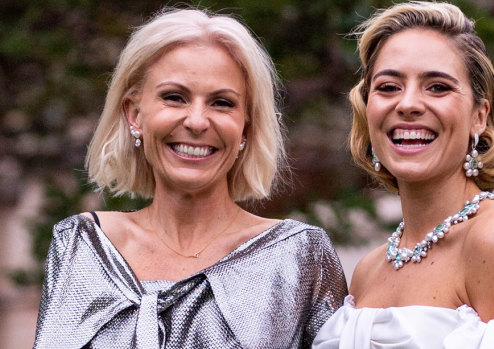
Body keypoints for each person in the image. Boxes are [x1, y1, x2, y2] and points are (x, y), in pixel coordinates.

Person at [34, 8, 347, 348]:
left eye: (222, 103)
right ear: (134, 114)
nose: (197, 121)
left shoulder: (298, 256)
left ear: (246, 126)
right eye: (174, 97)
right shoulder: (81, 244)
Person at [313, 1, 494, 348]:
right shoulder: (368, 270)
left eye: (438, 87)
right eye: (388, 87)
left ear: (480, 115)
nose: (408, 104)